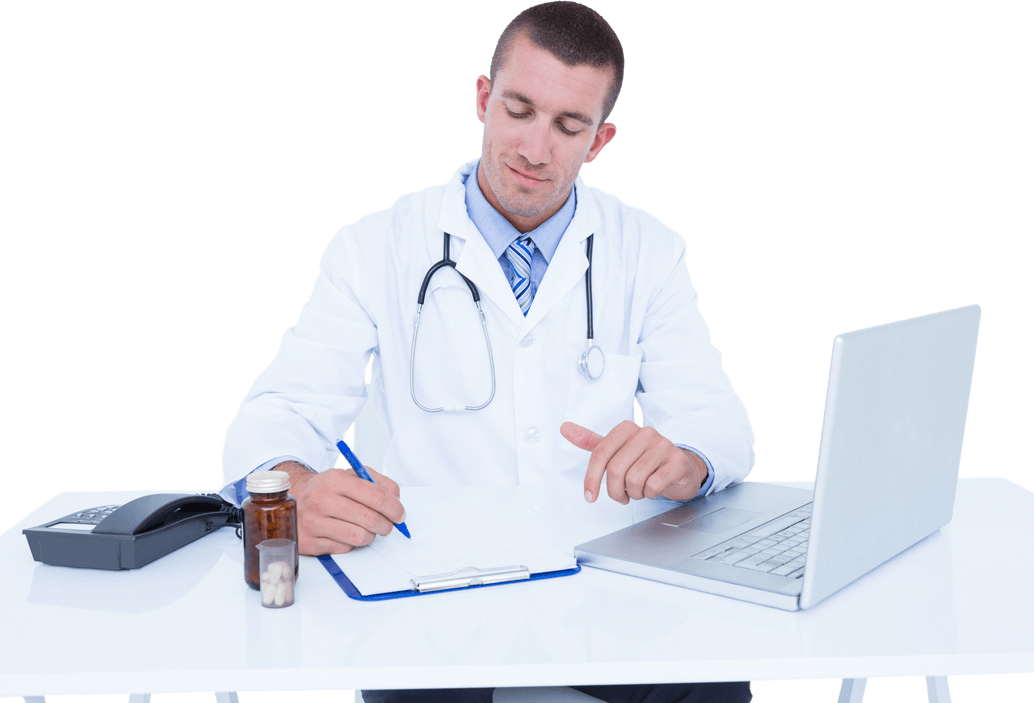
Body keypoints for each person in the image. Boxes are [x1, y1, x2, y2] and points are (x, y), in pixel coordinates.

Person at [221, 3, 755, 702]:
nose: (536, 149)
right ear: (482, 98)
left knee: (712, 678)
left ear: (601, 139)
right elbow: (276, 414)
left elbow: (720, 422)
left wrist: (684, 460)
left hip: (598, 595)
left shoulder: (646, 250)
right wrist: (294, 490)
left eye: (569, 126)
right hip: (426, 602)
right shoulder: (375, 246)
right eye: (519, 110)